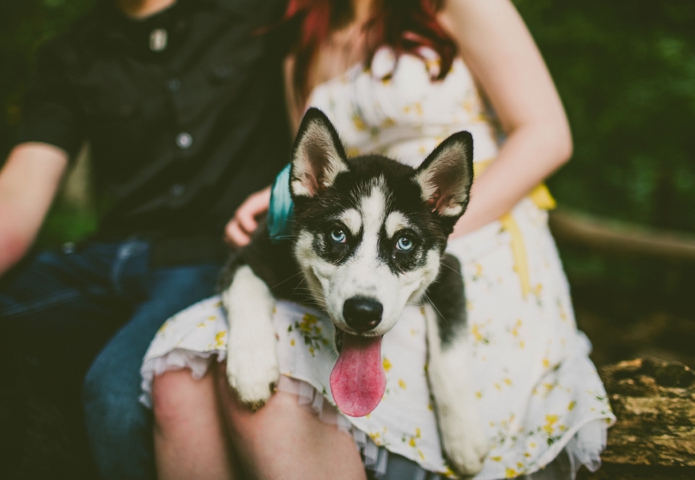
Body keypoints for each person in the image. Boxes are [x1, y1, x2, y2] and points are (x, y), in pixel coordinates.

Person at [141, 0, 616, 479]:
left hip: (474, 234)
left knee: (281, 384)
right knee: (183, 371)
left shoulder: (460, 5)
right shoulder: (302, 46)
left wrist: (422, 232)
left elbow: (548, 135)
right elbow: (317, 174)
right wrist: (275, 198)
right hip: (357, 239)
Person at [0, 0, 291, 478]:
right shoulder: (70, 53)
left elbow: (325, 105)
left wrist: (284, 191)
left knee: (118, 397)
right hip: (104, 257)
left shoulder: (260, 15)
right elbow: (19, 194)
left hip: (208, 255)